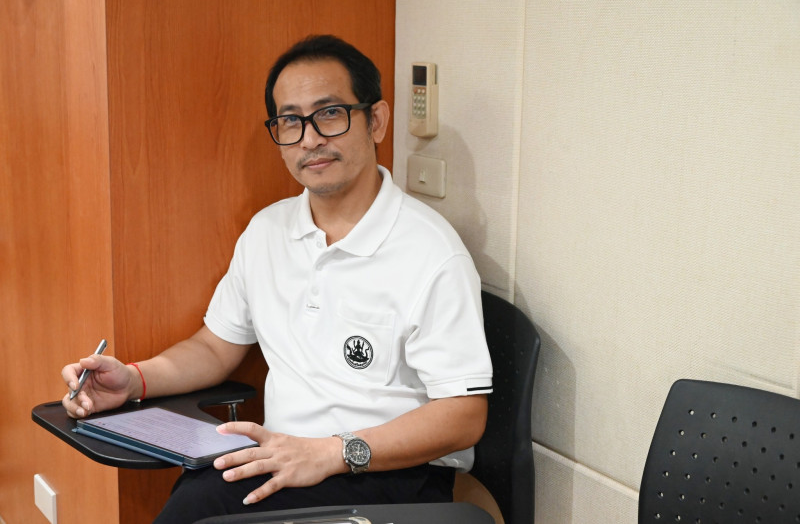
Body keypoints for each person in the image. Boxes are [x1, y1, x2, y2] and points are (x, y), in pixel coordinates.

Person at [61, 34, 493, 523]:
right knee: (198, 499)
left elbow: (463, 416)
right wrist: (134, 380)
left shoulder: (431, 252)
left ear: (376, 120)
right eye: (291, 121)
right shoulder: (267, 230)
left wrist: (331, 453)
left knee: (200, 510)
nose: (310, 139)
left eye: (330, 113)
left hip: (387, 473)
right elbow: (215, 348)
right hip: (286, 459)